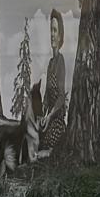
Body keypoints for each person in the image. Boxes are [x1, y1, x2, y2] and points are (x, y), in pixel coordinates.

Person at [40, 8, 67, 153]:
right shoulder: (51, 63)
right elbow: (46, 94)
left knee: (46, 149)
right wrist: (43, 115)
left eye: (55, 30)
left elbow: (61, 96)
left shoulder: (60, 61)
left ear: (60, 35)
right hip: (48, 120)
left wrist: (50, 116)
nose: (52, 35)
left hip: (57, 121)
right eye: (51, 30)